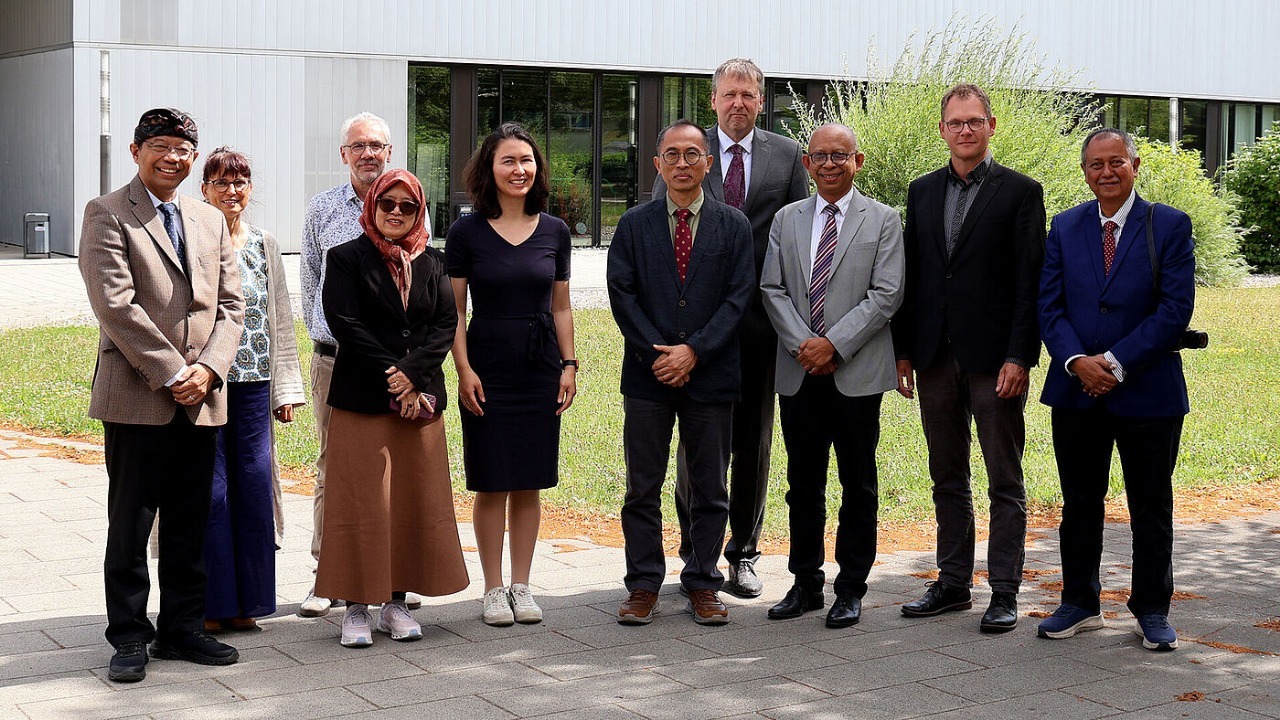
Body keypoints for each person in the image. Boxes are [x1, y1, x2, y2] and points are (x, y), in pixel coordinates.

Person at [78, 108, 244, 682]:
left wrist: (211, 370)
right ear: (135, 151)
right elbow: (115, 306)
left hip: (203, 397)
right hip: (137, 394)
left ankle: (182, 628)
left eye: (183, 148)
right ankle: (127, 636)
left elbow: (231, 306)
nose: (173, 156)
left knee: (189, 519)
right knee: (130, 520)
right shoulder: (106, 213)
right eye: (161, 146)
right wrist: (175, 372)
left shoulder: (209, 219)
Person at [893, 83, 1046, 633]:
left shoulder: (1021, 192)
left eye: (974, 121)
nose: (964, 130)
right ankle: (954, 583)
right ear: (942, 129)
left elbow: (1030, 283)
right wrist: (905, 349)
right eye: (955, 122)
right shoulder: (921, 191)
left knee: (1004, 476)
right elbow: (914, 274)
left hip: (994, 360)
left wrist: (1020, 356)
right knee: (946, 473)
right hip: (935, 356)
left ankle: (1004, 590)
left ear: (991, 125)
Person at [655, 58, 809, 599]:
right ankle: (697, 550)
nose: (738, 103)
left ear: (761, 101)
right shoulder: (686, 151)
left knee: (753, 441)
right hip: (696, 329)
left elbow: (796, 237)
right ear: (714, 100)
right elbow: (660, 230)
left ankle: (742, 551)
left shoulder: (788, 156)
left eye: (748, 94)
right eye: (729, 94)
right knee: (697, 442)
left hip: (761, 327)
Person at [1036, 129, 1194, 652]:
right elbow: (1049, 307)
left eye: (1116, 163)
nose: (1106, 173)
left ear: (1135, 164)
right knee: (1080, 502)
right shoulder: (1064, 226)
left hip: (1148, 393)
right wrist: (1078, 361)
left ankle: (1152, 609)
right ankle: (1079, 602)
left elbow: (1175, 311)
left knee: (1151, 504)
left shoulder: (1168, 225)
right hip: (1076, 390)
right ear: (1085, 171)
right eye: (1095, 165)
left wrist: (1116, 363)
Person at [608, 119, 755, 626]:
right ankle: (643, 584)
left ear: (708, 162)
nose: (682, 163)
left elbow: (738, 300)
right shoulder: (633, 225)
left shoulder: (734, 225)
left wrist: (693, 352)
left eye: (693, 154)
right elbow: (623, 298)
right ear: (657, 164)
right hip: (648, 378)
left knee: (711, 487)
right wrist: (660, 356)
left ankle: (703, 582)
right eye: (671, 154)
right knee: (641, 487)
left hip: (711, 376)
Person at [314, 169, 469, 647]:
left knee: (411, 499)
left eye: (407, 206)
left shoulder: (434, 261)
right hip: (364, 397)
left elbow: (446, 323)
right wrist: (394, 374)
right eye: (388, 204)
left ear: (420, 211)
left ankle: (396, 604)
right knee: (360, 501)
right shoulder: (345, 258)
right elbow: (344, 321)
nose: (396, 213)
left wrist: (414, 375)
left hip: (418, 401)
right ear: (373, 207)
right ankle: (356, 608)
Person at [760, 124, 904, 628]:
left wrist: (834, 345)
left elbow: (886, 294)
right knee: (802, 482)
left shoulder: (883, 220)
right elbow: (772, 288)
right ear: (806, 163)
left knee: (858, 482)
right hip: (800, 370)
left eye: (839, 156)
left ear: (857, 161)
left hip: (855, 371)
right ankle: (805, 583)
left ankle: (851, 588)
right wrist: (806, 344)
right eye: (819, 156)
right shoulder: (786, 219)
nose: (829, 164)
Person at [447, 123, 576, 627]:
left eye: (527, 160)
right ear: (489, 169)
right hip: (487, 364)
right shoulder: (466, 231)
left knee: (529, 480)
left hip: (540, 365)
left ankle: (522, 585)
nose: (519, 169)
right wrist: (463, 369)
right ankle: (493, 588)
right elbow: (454, 310)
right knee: (491, 480)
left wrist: (569, 365)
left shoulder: (555, 231)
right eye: (508, 161)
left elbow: (562, 307)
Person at [299, 112, 422, 615]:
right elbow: (311, 279)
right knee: (336, 469)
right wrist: (323, 336)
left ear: (389, 152)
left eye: (378, 145)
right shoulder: (323, 210)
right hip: (337, 361)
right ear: (343, 154)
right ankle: (327, 576)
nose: (369, 153)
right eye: (359, 145)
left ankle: (393, 576)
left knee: (396, 468)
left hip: (397, 367)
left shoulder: (408, 204)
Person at [197, 147, 306, 633]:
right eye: (221, 182)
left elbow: (281, 318)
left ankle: (251, 604)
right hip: (207, 385)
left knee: (255, 489)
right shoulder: (193, 238)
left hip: (255, 387)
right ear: (204, 190)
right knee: (212, 492)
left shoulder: (264, 244)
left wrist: (286, 387)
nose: (232, 191)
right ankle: (214, 605)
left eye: (240, 181)